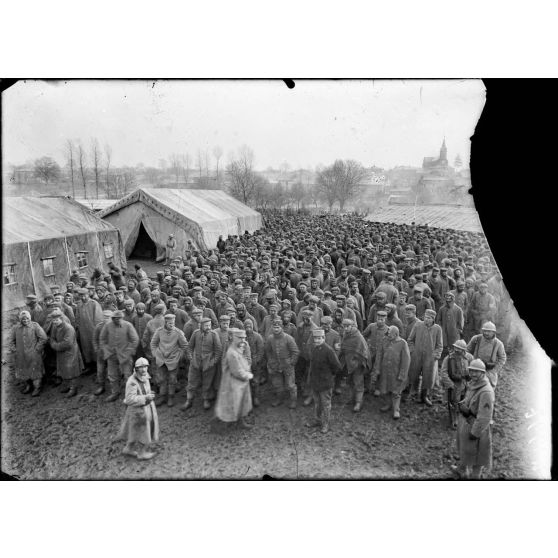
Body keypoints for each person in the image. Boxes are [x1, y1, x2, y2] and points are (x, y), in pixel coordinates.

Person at [456, 359, 495, 479]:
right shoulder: (474, 384)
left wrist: (475, 432)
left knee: (478, 454)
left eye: (476, 372)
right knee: (465, 449)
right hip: (467, 423)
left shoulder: (486, 391)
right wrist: (463, 403)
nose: (473, 374)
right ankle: (462, 470)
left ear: (483, 373)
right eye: (471, 371)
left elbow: (484, 417)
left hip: (477, 427)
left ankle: (475, 476)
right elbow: (470, 399)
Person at [117, 357, 159, 460]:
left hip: (145, 409)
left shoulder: (145, 377)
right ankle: (142, 453)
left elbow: (145, 390)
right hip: (137, 411)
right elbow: (130, 399)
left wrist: (149, 394)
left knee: (134, 431)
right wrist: (145, 397)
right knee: (143, 432)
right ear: (136, 369)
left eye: (145, 366)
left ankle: (128, 448)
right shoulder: (131, 382)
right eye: (141, 367)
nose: (144, 369)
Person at [215, 328, 254, 428]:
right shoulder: (232, 352)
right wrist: (248, 375)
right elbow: (237, 371)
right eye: (240, 338)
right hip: (234, 382)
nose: (243, 340)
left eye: (244, 338)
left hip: (239, 381)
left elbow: (246, 359)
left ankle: (236, 420)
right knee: (235, 401)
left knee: (239, 401)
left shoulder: (238, 348)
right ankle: (233, 421)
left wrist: (246, 369)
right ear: (234, 338)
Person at [181, 317, 222, 411]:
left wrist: (213, 362)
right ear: (201, 326)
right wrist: (191, 358)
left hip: (208, 364)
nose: (208, 327)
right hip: (195, 362)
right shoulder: (196, 333)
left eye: (209, 325)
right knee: (191, 382)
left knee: (207, 383)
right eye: (206, 325)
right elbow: (190, 347)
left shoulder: (214, 334)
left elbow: (218, 350)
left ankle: (206, 399)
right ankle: (189, 400)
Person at [306, 329, 342, 434]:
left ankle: (325, 424)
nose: (317, 340)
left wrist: (329, 376)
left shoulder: (329, 351)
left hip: (325, 383)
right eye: (315, 338)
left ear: (323, 338)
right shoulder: (314, 348)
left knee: (326, 404)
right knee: (317, 403)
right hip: (315, 381)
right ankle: (317, 420)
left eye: (319, 338)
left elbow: (337, 367)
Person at [150, 313, 190, 407]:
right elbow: (153, 344)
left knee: (172, 379)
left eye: (173, 323)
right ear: (165, 323)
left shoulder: (178, 332)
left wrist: (179, 355)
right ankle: (162, 396)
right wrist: (156, 354)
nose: (172, 325)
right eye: (169, 323)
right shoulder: (159, 331)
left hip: (173, 360)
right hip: (161, 359)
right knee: (162, 378)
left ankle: (171, 397)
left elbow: (185, 346)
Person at [99, 309, 140, 402]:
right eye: (115, 318)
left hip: (125, 356)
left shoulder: (128, 325)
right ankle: (115, 392)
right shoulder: (107, 325)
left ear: (122, 318)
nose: (118, 320)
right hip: (111, 355)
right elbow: (102, 339)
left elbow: (135, 340)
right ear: (112, 318)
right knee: (112, 375)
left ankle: (130, 394)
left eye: (120, 318)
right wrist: (106, 351)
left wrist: (128, 352)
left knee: (128, 375)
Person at [7, 310, 48, 397]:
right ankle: (28, 386)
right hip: (21, 356)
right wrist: (15, 350)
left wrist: (37, 349)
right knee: (24, 371)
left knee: (35, 371)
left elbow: (43, 338)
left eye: (27, 318)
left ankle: (37, 388)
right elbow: (11, 341)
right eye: (23, 319)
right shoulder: (16, 328)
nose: (25, 320)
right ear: (20, 320)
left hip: (34, 354)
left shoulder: (35, 326)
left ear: (30, 318)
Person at [407, 309, 443, 406]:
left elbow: (439, 345)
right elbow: (410, 340)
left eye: (429, 318)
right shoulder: (418, 325)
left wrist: (435, 355)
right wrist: (413, 351)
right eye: (426, 317)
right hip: (417, 355)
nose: (427, 320)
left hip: (429, 357)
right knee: (414, 374)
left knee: (428, 377)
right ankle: (413, 394)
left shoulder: (437, 329)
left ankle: (424, 396)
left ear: (433, 319)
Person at [374, 325, 410, 419]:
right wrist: (377, 368)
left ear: (396, 334)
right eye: (387, 334)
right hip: (384, 371)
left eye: (390, 335)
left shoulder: (402, 343)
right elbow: (379, 355)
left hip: (396, 372)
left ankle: (396, 409)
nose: (388, 336)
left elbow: (406, 361)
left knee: (396, 392)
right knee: (384, 389)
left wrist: (402, 375)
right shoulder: (384, 340)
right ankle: (387, 404)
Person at [264, 318, 300, 408]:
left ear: (282, 328)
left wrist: (291, 362)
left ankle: (293, 401)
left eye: (278, 327)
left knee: (290, 384)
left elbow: (295, 352)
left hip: (287, 365)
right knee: (277, 384)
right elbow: (268, 351)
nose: (276, 329)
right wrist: (270, 361)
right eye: (274, 327)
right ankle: (279, 399)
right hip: (275, 364)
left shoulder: (288, 338)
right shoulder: (270, 338)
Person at [48, 308, 84, 397]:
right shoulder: (55, 327)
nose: (55, 322)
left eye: (56, 320)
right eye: (53, 320)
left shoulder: (68, 328)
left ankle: (73, 388)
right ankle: (68, 385)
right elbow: (52, 338)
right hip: (61, 352)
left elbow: (67, 344)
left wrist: (55, 345)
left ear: (61, 319)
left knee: (71, 369)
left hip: (70, 352)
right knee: (63, 369)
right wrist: (54, 343)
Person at [440, 339, 473, 428]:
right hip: (455, 384)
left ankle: (464, 418)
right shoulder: (449, 358)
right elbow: (444, 372)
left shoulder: (469, 358)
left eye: (460, 349)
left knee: (466, 401)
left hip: (466, 384)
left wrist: (471, 381)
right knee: (454, 402)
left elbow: (474, 371)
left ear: (464, 350)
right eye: (456, 348)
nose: (457, 351)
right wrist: (450, 384)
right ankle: (454, 419)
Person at [339, 318, 370, 413]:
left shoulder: (358, 337)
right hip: (348, 363)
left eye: (347, 326)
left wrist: (357, 362)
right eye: (343, 326)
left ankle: (358, 403)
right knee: (350, 382)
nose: (345, 328)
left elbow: (363, 352)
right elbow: (343, 347)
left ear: (352, 326)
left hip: (358, 364)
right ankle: (352, 399)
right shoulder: (345, 335)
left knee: (358, 383)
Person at [466, 321, 507, 388]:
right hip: (475, 368)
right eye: (484, 331)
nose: (486, 333)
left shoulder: (498, 344)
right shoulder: (476, 339)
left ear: (493, 332)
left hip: (489, 371)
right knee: (471, 389)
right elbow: (467, 351)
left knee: (488, 390)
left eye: (488, 331)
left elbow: (502, 358)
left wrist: (494, 370)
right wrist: (470, 362)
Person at [74, 287, 104, 374]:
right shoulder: (79, 305)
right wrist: (78, 328)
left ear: (88, 295)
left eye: (84, 295)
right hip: (83, 331)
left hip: (93, 331)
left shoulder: (94, 304)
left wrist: (97, 331)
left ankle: (97, 368)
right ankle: (90, 366)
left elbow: (99, 320)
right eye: (81, 296)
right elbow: (77, 318)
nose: (83, 298)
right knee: (86, 348)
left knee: (94, 348)